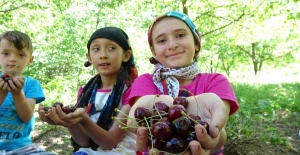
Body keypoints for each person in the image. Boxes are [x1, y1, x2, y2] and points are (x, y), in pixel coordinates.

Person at [128, 11, 239, 155]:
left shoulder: (215, 81)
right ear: (153, 52)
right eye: (161, 40)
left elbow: (219, 132)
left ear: (196, 43)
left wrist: (212, 135)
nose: (172, 45)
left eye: (180, 35)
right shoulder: (145, 82)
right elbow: (147, 126)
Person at [38, 27, 138, 155]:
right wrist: (69, 122)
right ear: (89, 57)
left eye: (111, 48)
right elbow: (84, 141)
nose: (103, 55)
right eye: (96, 49)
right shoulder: (85, 92)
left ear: (126, 55)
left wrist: (84, 119)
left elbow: (110, 142)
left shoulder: (131, 92)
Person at [0, 31, 57, 154]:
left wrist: (17, 93)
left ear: (30, 59)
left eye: (20, 55)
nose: (12, 59)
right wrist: (2, 92)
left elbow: (26, 117)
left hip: (22, 148)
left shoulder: (32, 84)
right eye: (6, 53)